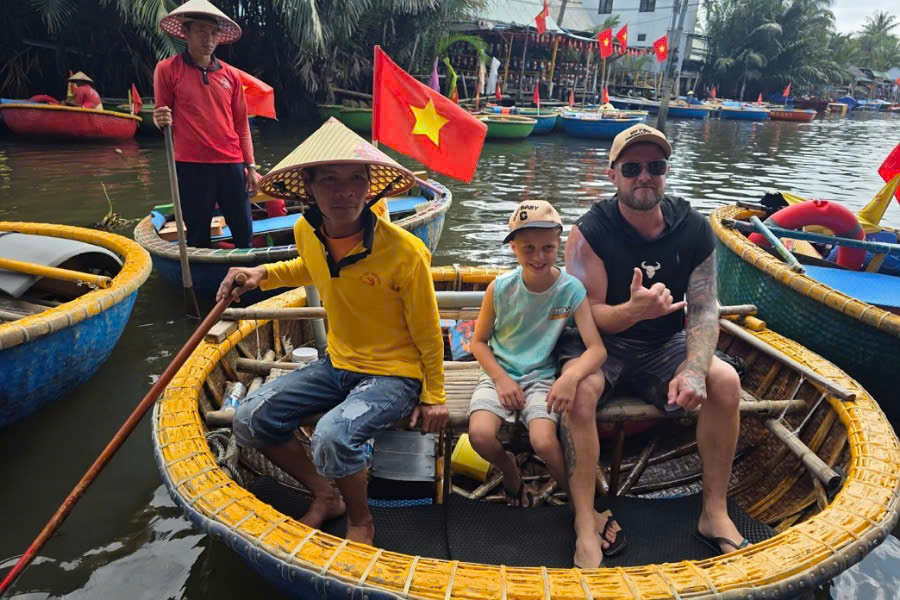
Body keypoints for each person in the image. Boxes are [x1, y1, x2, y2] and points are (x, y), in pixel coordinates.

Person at [215, 118, 448, 545]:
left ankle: (361, 520)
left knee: (333, 436)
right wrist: (263, 273)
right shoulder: (306, 230)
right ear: (308, 187)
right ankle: (325, 494)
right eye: (329, 180)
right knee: (248, 419)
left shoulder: (405, 252)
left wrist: (434, 394)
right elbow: (310, 266)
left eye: (356, 179)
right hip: (338, 363)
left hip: (395, 374)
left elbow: (429, 331)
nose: (344, 192)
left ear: (369, 187)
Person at [558, 123, 745, 567]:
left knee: (725, 381)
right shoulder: (589, 232)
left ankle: (714, 512)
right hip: (600, 343)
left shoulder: (694, 228)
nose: (644, 176)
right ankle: (585, 521)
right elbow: (585, 314)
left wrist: (695, 369)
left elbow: (704, 308)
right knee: (579, 392)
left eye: (655, 166)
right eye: (632, 168)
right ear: (613, 175)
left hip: (664, 344)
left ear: (666, 172)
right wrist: (633, 311)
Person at [466, 201, 622, 567]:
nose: (538, 257)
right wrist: (501, 378)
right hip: (500, 374)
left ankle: (583, 510)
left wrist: (570, 376)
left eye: (547, 248)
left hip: (541, 378)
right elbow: (478, 343)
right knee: (480, 436)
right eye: (528, 249)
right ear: (513, 248)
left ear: (559, 244)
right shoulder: (500, 288)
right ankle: (509, 469)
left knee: (544, 441)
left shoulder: (571, 290)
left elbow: (596, 350)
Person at [153, 0, 258, 248]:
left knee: (244, 231)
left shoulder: (231, 75)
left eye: (213, 32)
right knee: (198, 235)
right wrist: (159, 120)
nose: (208, 39)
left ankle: (246, 270)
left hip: (231, 163)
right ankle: (203, 272)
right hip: (191, 165)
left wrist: (250, 166)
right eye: (201, 30)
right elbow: (162, 116)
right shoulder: (167, 69)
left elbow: (241, 125)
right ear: (186, 32)